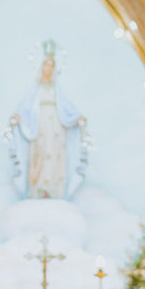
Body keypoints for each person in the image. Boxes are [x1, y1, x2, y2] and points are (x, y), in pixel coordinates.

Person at [10, 40, 86, 199]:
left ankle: (54, 192)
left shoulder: (57, 88)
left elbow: (67, 106)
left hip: (56, 125)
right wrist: (18, 115)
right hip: (39, 124)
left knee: (55, 155)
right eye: (46, 65)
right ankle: (38, 190)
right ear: (41, 66)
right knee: (39, 155)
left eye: (51, 66)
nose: (48, 69)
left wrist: (77, 116)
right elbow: (26, 104)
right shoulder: (35, 87)